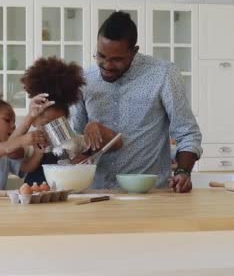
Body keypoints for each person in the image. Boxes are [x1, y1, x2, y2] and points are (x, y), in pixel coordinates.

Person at [70, 11, 202, 193]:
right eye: (101, 56)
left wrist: (182, 172)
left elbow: (187, 132)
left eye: (117, 59)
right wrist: (83, 141)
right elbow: (74, 138)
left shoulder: (162, 74)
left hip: (150, 195)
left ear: (134, 51)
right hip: (98, 194)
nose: (107, 65)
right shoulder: (85, 79)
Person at [18, 56, 122, 185]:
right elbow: (13, 153)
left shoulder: (74, 141)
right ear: (33, 122)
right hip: (36, 195)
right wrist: (38, 152)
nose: (52, 130)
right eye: (45, 124)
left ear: (66, 121)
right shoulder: (28, 142)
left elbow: (116, 142)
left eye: (58, 124)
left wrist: (85, 161)